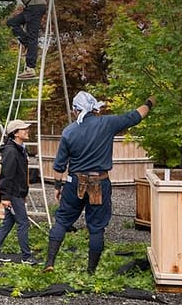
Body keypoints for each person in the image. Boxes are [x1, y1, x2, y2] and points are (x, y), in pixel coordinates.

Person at [44, 91, 155, 274]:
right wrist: (150, 103)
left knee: (62, 222)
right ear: (95, 109)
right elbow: (136, 116)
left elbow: (59, 167)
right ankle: (91, 272)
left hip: (74, 183)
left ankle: (49, 263)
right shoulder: (107, 123)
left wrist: (58, 187)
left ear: (75, 110)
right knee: (96, 228)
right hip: (99, 183)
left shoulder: (69, 132)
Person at [0, 119, 39, 265]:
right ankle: (26, 257)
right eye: (23, 129)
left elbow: (20, 174)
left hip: (17, 193)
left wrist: (23, 194)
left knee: (8, 222)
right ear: (15, 133)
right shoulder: (11, 151)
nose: (27, 131)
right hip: (13, 194)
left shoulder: (20, 149)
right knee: (23, 223)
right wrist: (5, 196)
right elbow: (7, 175)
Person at [0, 0, 47, 80]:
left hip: (35, 6)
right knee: (12, 22)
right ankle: (27, 43)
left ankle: (30, 68)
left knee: (33, 36)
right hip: (31, 8)